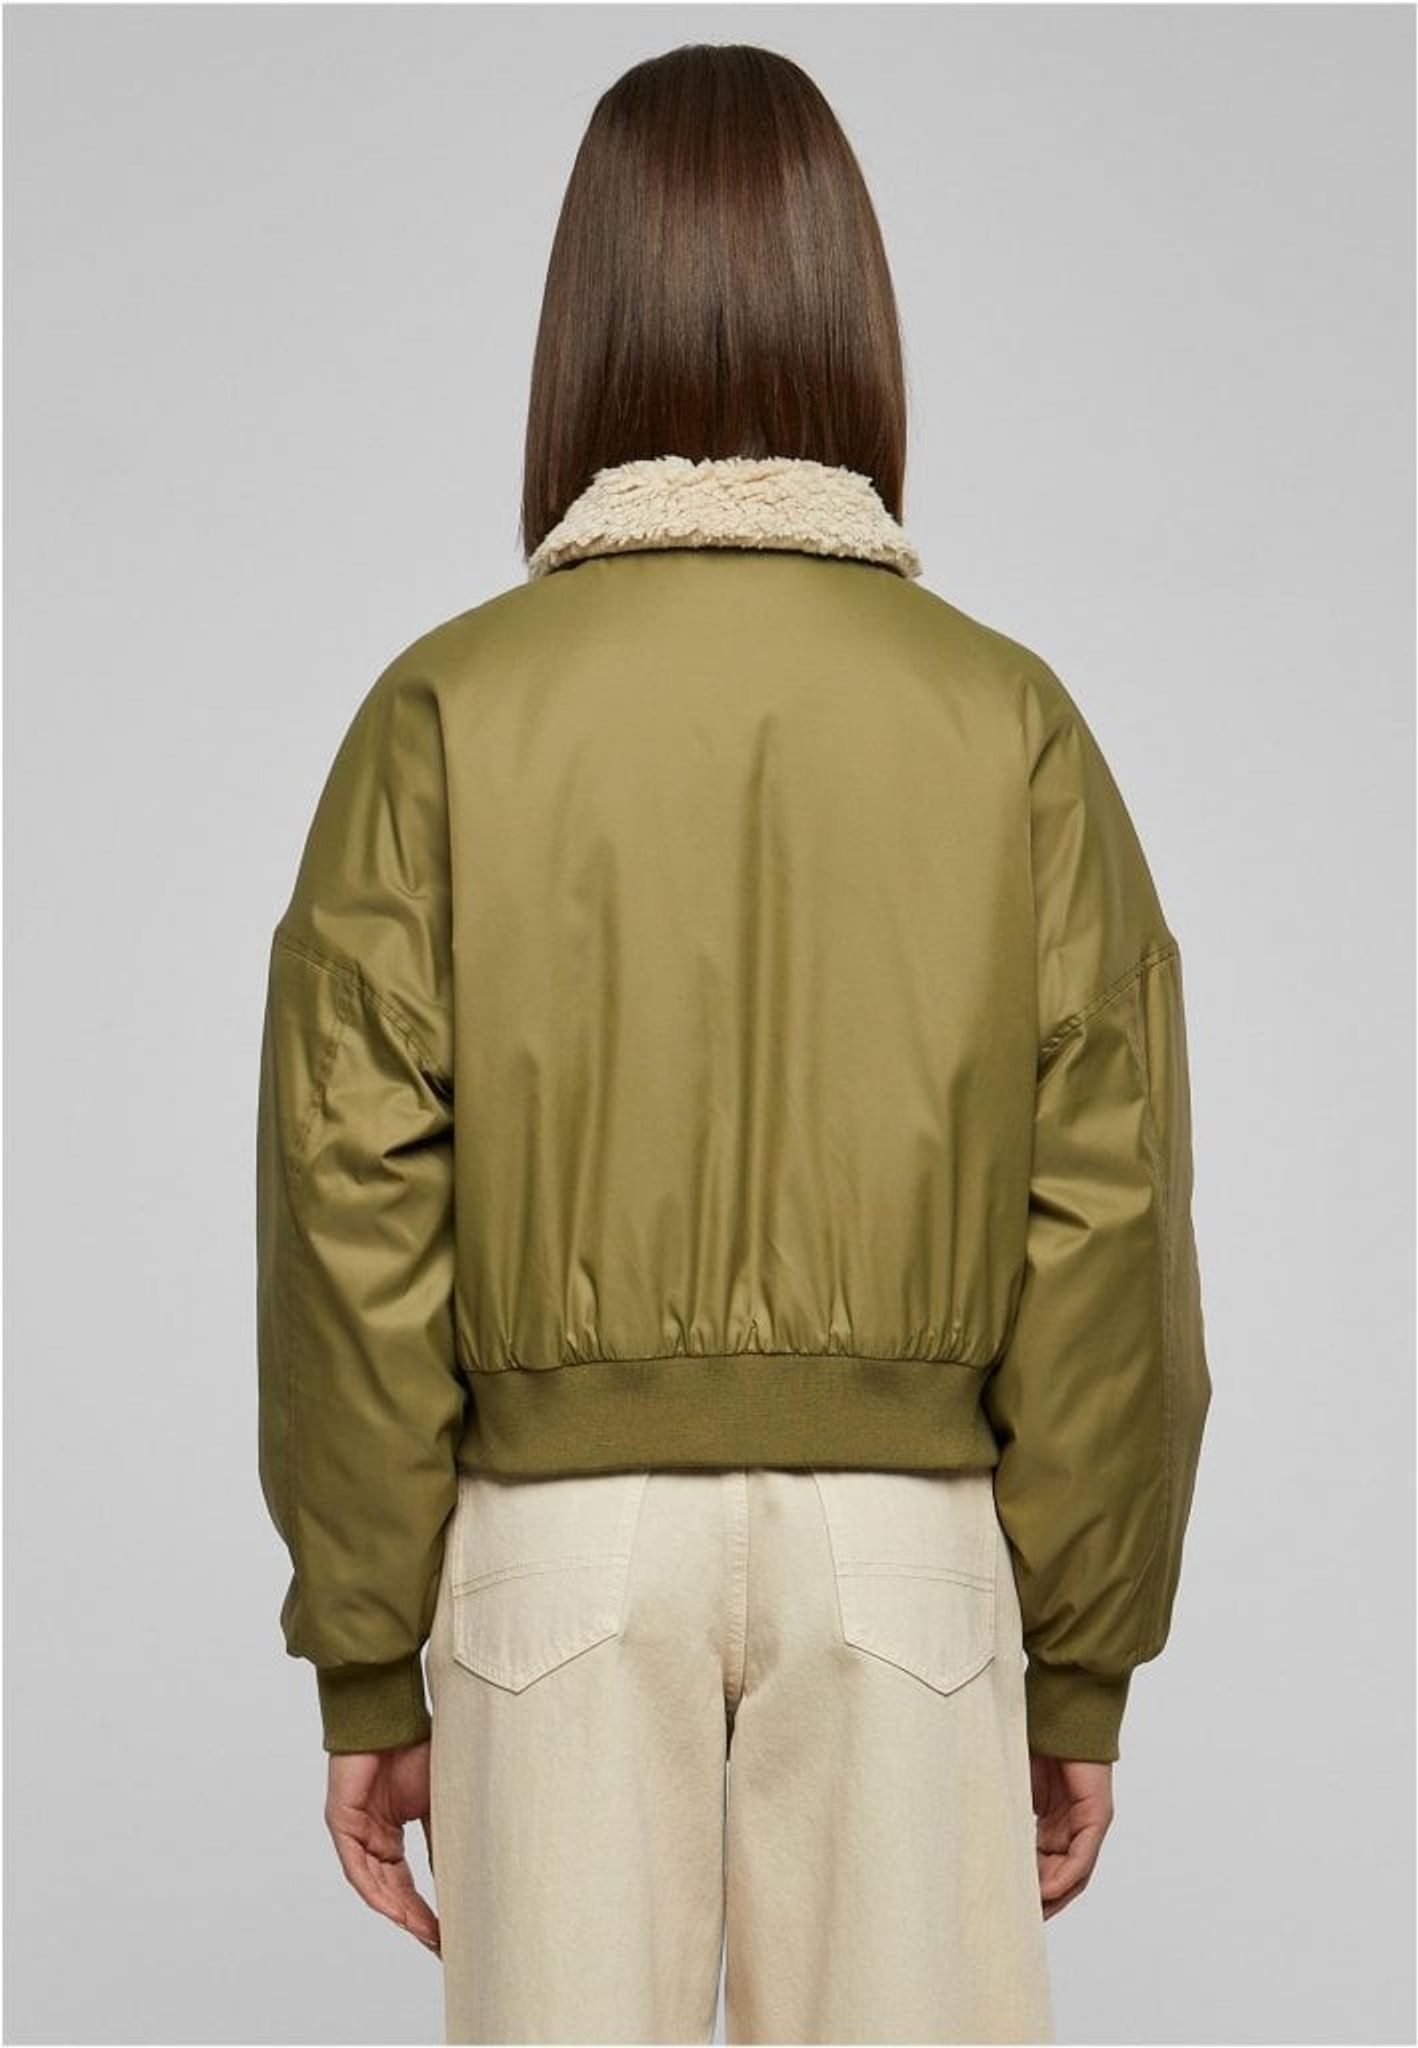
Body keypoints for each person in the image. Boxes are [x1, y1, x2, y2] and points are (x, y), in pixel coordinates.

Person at [255, 40, 1211, 2048]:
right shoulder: (1006, 721)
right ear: (855, 323)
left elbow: (353, 1202)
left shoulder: (443, 711)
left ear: (575, 335)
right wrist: (1079, 1660)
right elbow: (1106, 1214)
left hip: (548, 1561)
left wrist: (365, 1649)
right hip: (906, 1561)